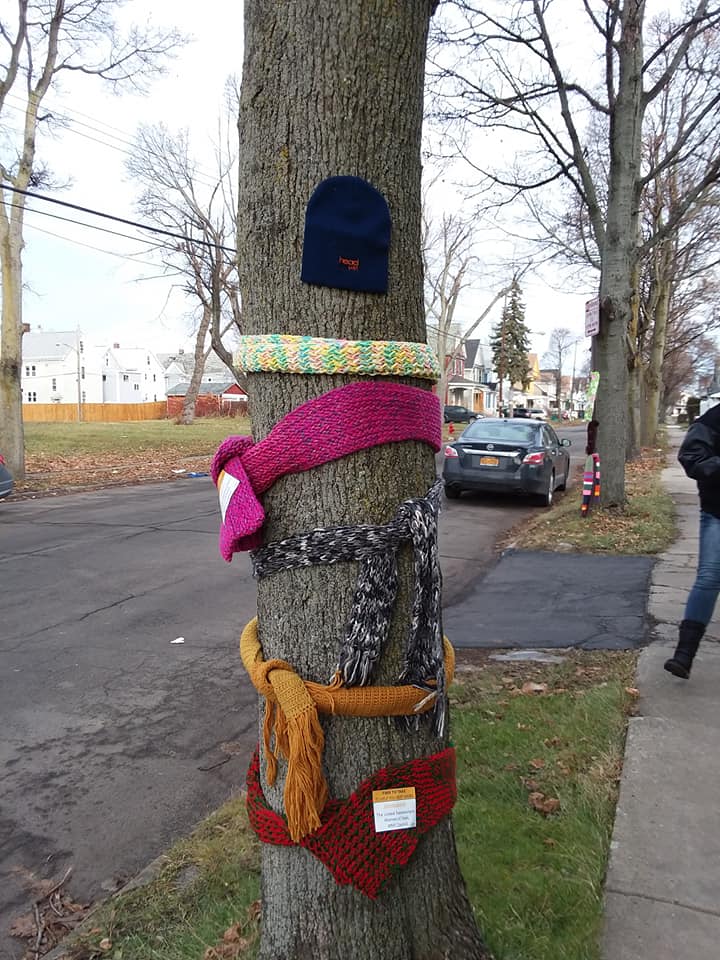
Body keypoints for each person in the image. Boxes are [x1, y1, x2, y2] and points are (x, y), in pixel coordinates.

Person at [664, 403, 720, 679]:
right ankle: (684, 654)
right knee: (709, 577)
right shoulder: (713, 419)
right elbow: (692, 457)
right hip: (718, 513)